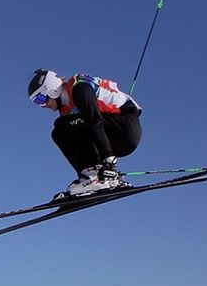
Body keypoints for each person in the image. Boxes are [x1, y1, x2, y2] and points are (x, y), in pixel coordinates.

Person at [28, 69, 142, 198]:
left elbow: (95, 122)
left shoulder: (79, 89)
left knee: (61, 128)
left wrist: (109, 161)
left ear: (52, 90)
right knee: (61, 130)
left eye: (40, 99)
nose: (42, 106)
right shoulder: (67, 108)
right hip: (117, 132)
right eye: (37, 103)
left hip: (125, 128)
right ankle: (93, 177)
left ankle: (95, 177)